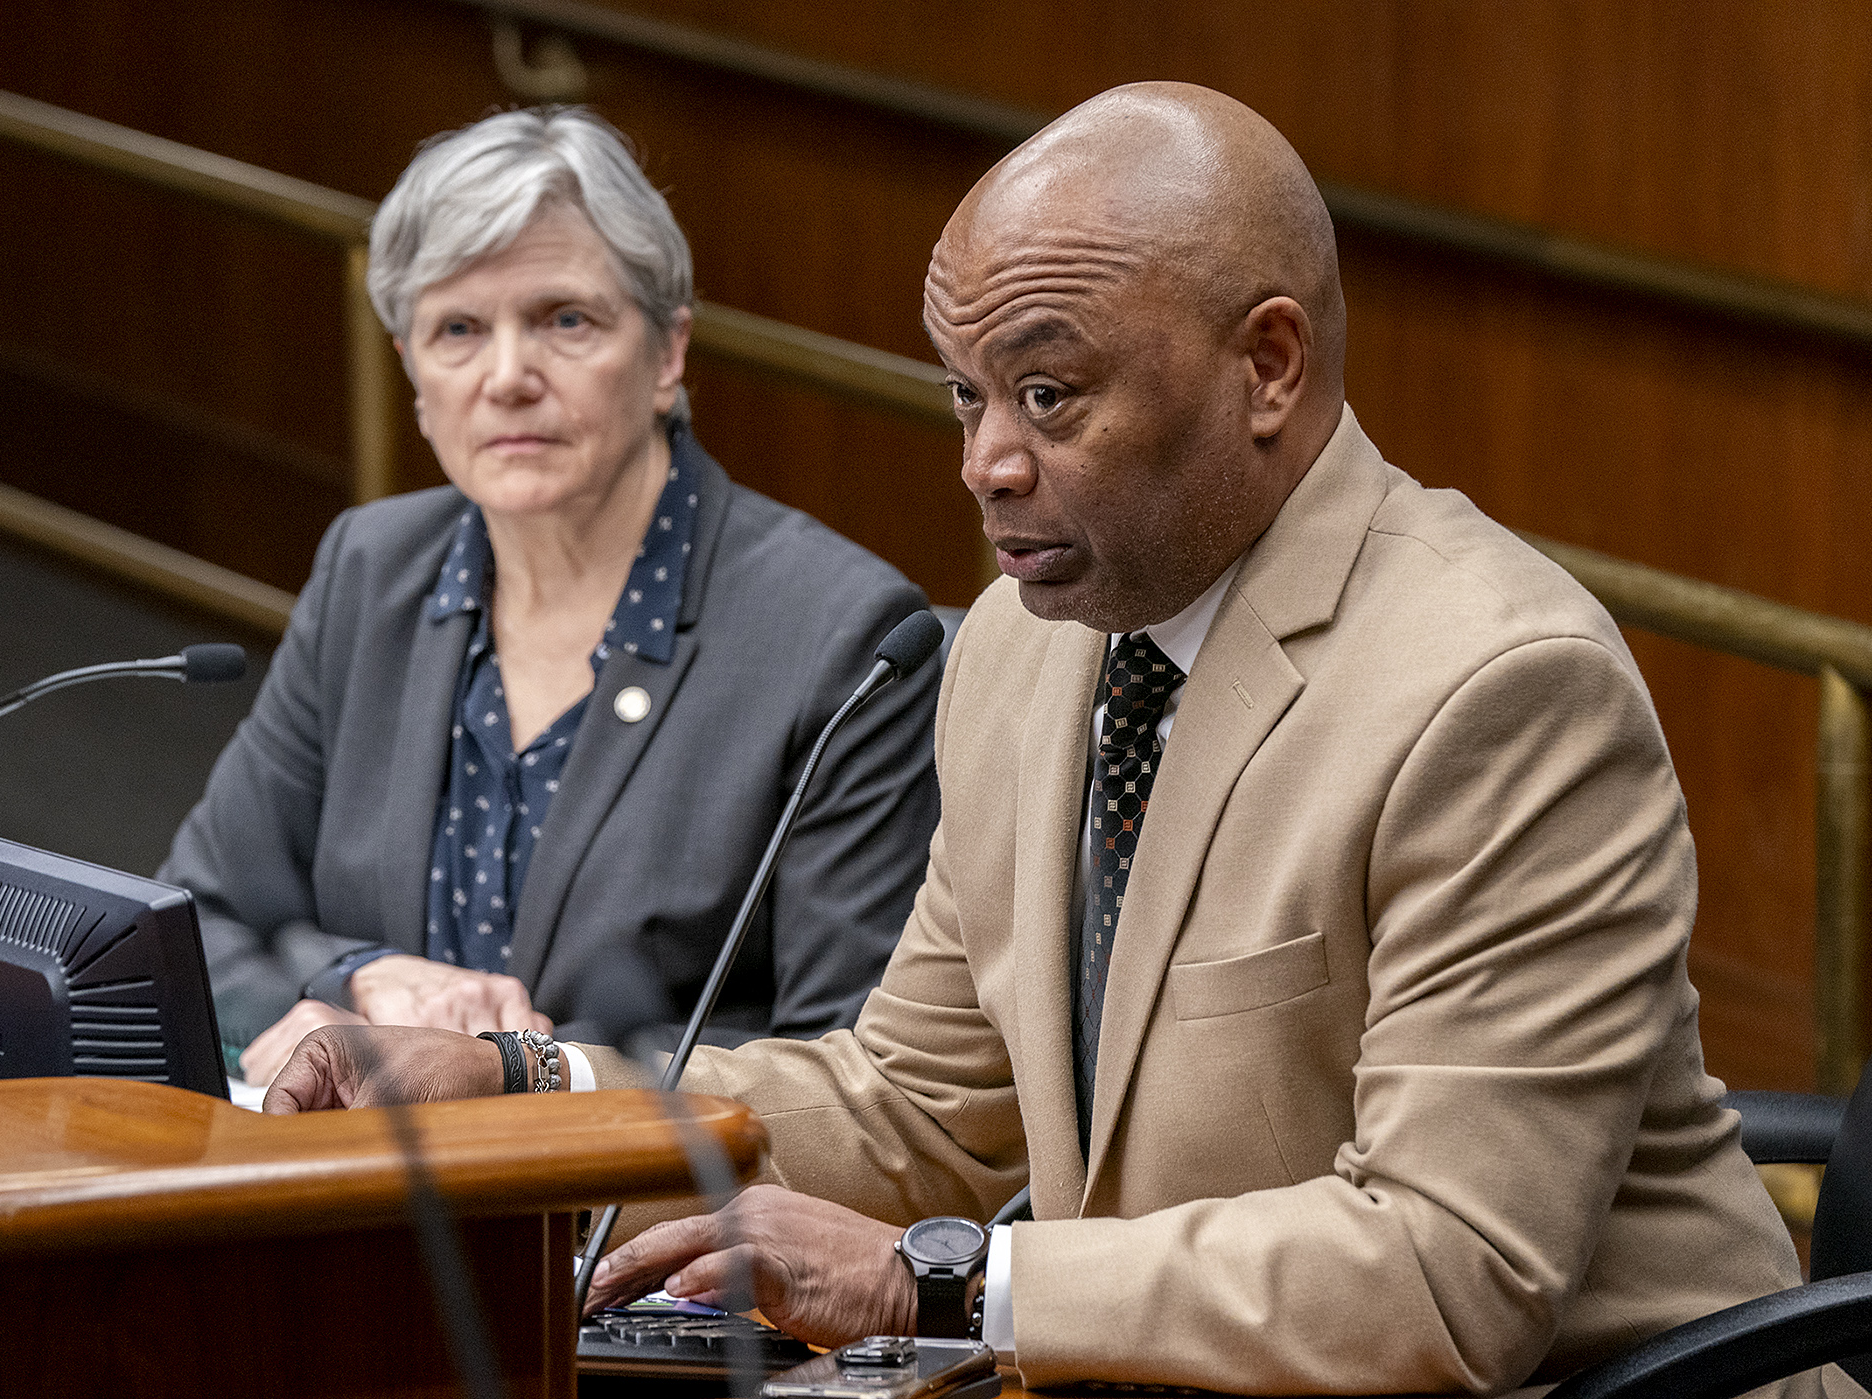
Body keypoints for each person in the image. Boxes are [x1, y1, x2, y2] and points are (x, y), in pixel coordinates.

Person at [264, 85, 1843, 1397]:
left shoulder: (1498, 687)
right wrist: (520, 1078)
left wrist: (930, 1279)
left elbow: (1447, 1270)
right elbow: (910, 1102)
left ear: (1268, 368)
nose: (986, 466)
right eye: (964, 398)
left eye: (1048, 393)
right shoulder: (1021, 651)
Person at [162, 107, 941, 1086]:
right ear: (411, 372)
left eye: (564, 320)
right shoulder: (371, 566)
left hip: (643, 1219)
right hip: (356, 1193)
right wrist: (362, 979)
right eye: (457, 330)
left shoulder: (839, 638)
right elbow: (191, 921)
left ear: (667, 354)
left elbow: (854, 1071)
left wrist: (521, 1068)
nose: (507, 377)